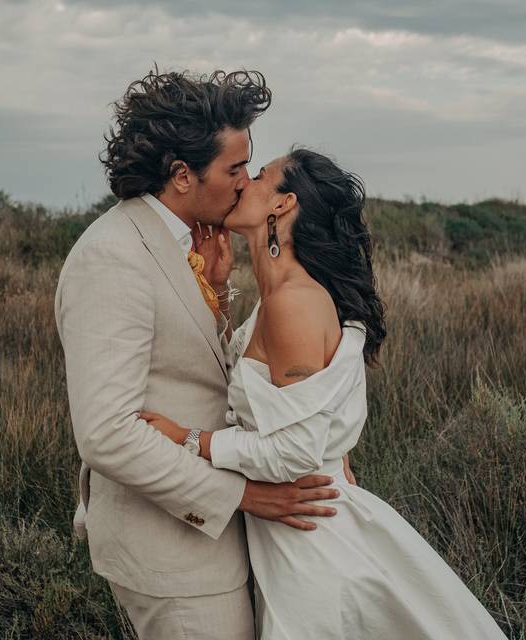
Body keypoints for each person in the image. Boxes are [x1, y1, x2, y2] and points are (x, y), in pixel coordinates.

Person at [140, 148, 511, 639]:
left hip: (311, 542)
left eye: (260, 175)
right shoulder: (280, 298)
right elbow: (277, 396)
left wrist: (188, 439)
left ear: (282, 203)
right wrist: (218, 288)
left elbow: (295, 452)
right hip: (299, 532)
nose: (243, 181)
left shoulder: (293, 302)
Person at [53, 70, 341, 640]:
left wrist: (215, 296)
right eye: (234, 169)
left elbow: (192, 372)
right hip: (175, 558)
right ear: (182, 175)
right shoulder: (113, 258)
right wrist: (244, 495)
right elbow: (107, 432)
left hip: (213, 545)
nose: (243, 184)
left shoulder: (187, 245)